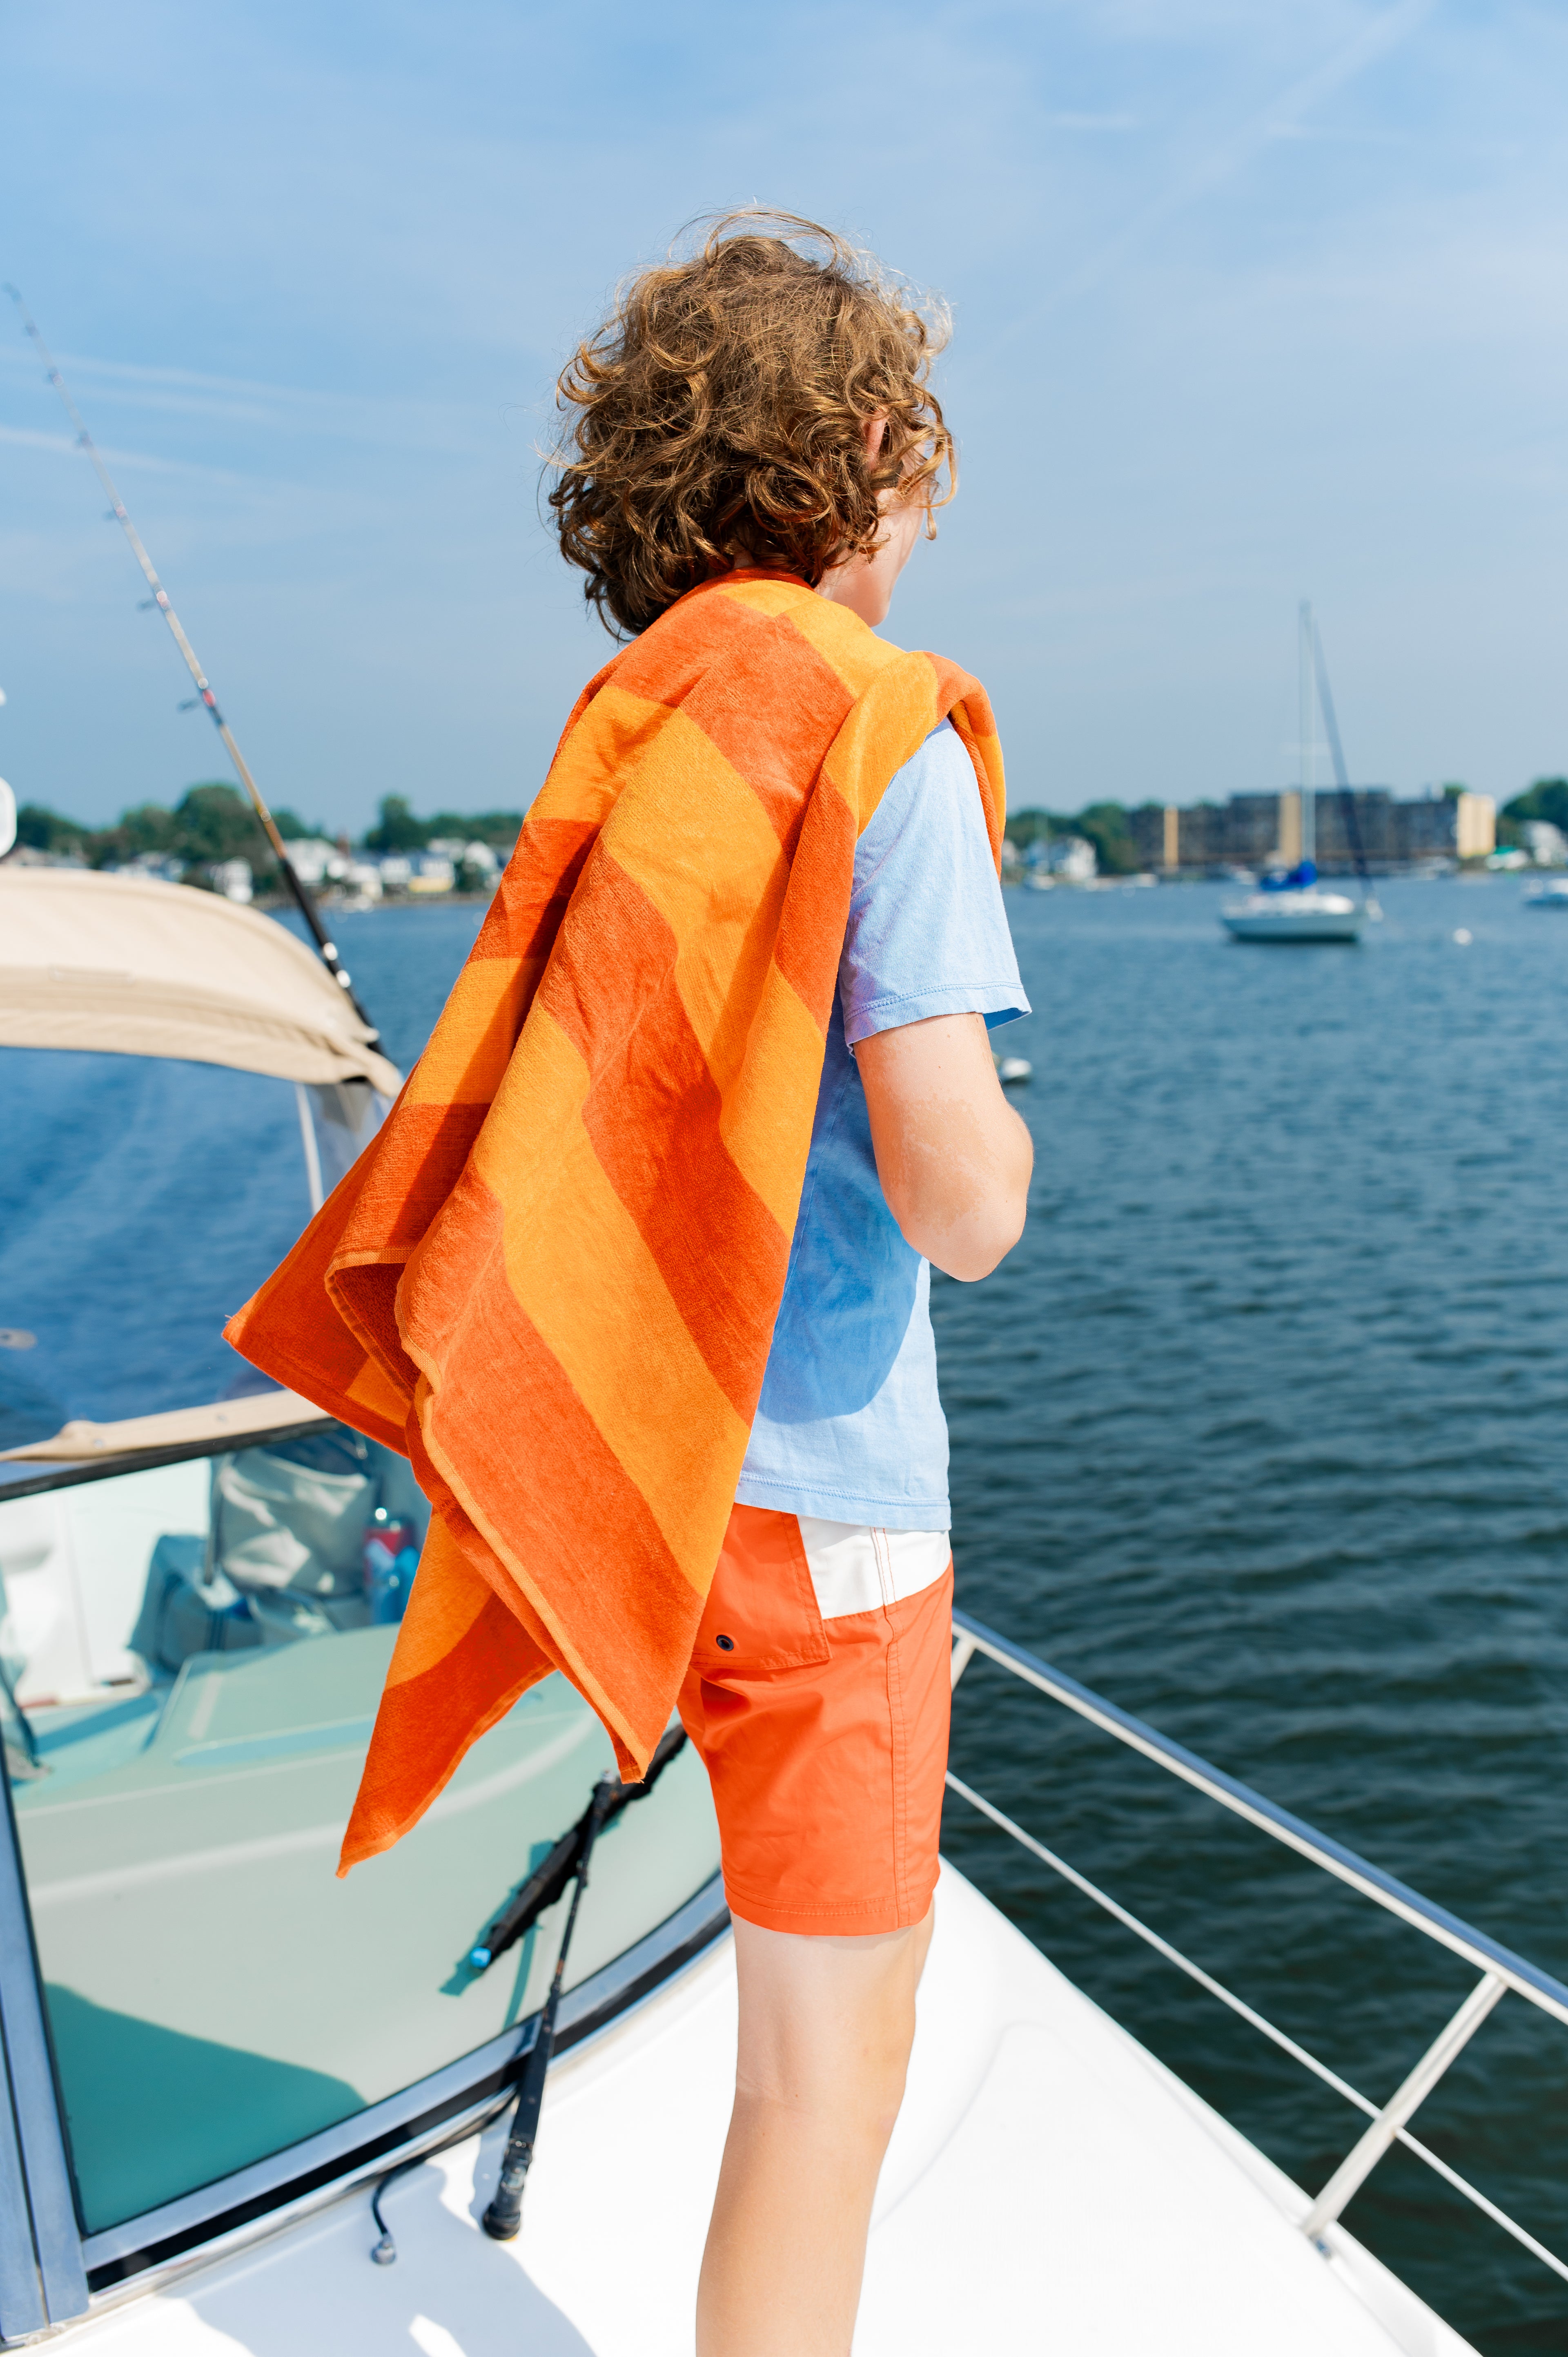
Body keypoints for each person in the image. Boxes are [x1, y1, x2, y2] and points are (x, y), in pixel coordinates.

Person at [546, 214, 1033, 2355]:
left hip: (658, 1488)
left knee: (785, 2062)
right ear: (859, 453)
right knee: (823, 2089)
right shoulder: (878, 738)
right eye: (921, 466)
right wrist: (1008, 1131)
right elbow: (960, 1198)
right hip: (835, 1513)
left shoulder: (642, 730)